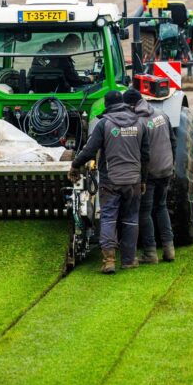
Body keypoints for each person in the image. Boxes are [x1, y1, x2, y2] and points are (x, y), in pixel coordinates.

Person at [69, 90, 149, 274]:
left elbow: (89, 151)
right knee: (131, 219)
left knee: (108, 218)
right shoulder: (139, 123)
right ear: (123, 103)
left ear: (106, 105)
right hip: (133, 180)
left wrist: (75, 165)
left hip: (111, 181)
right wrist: (143, 180)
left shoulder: (104, 124)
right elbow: (146, 155)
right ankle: (129, 260)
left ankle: (109, 261)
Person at [124, 88, 177, 264]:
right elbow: (173, 141)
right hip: (166, 169)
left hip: (150, 173)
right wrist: (172, 164)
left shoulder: (138, 122)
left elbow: (141, 154)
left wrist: (142, 178)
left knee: (144, 212)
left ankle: (150, 253)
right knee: (161, 206)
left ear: (131, 105)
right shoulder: (161, 114)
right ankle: (169, 250)